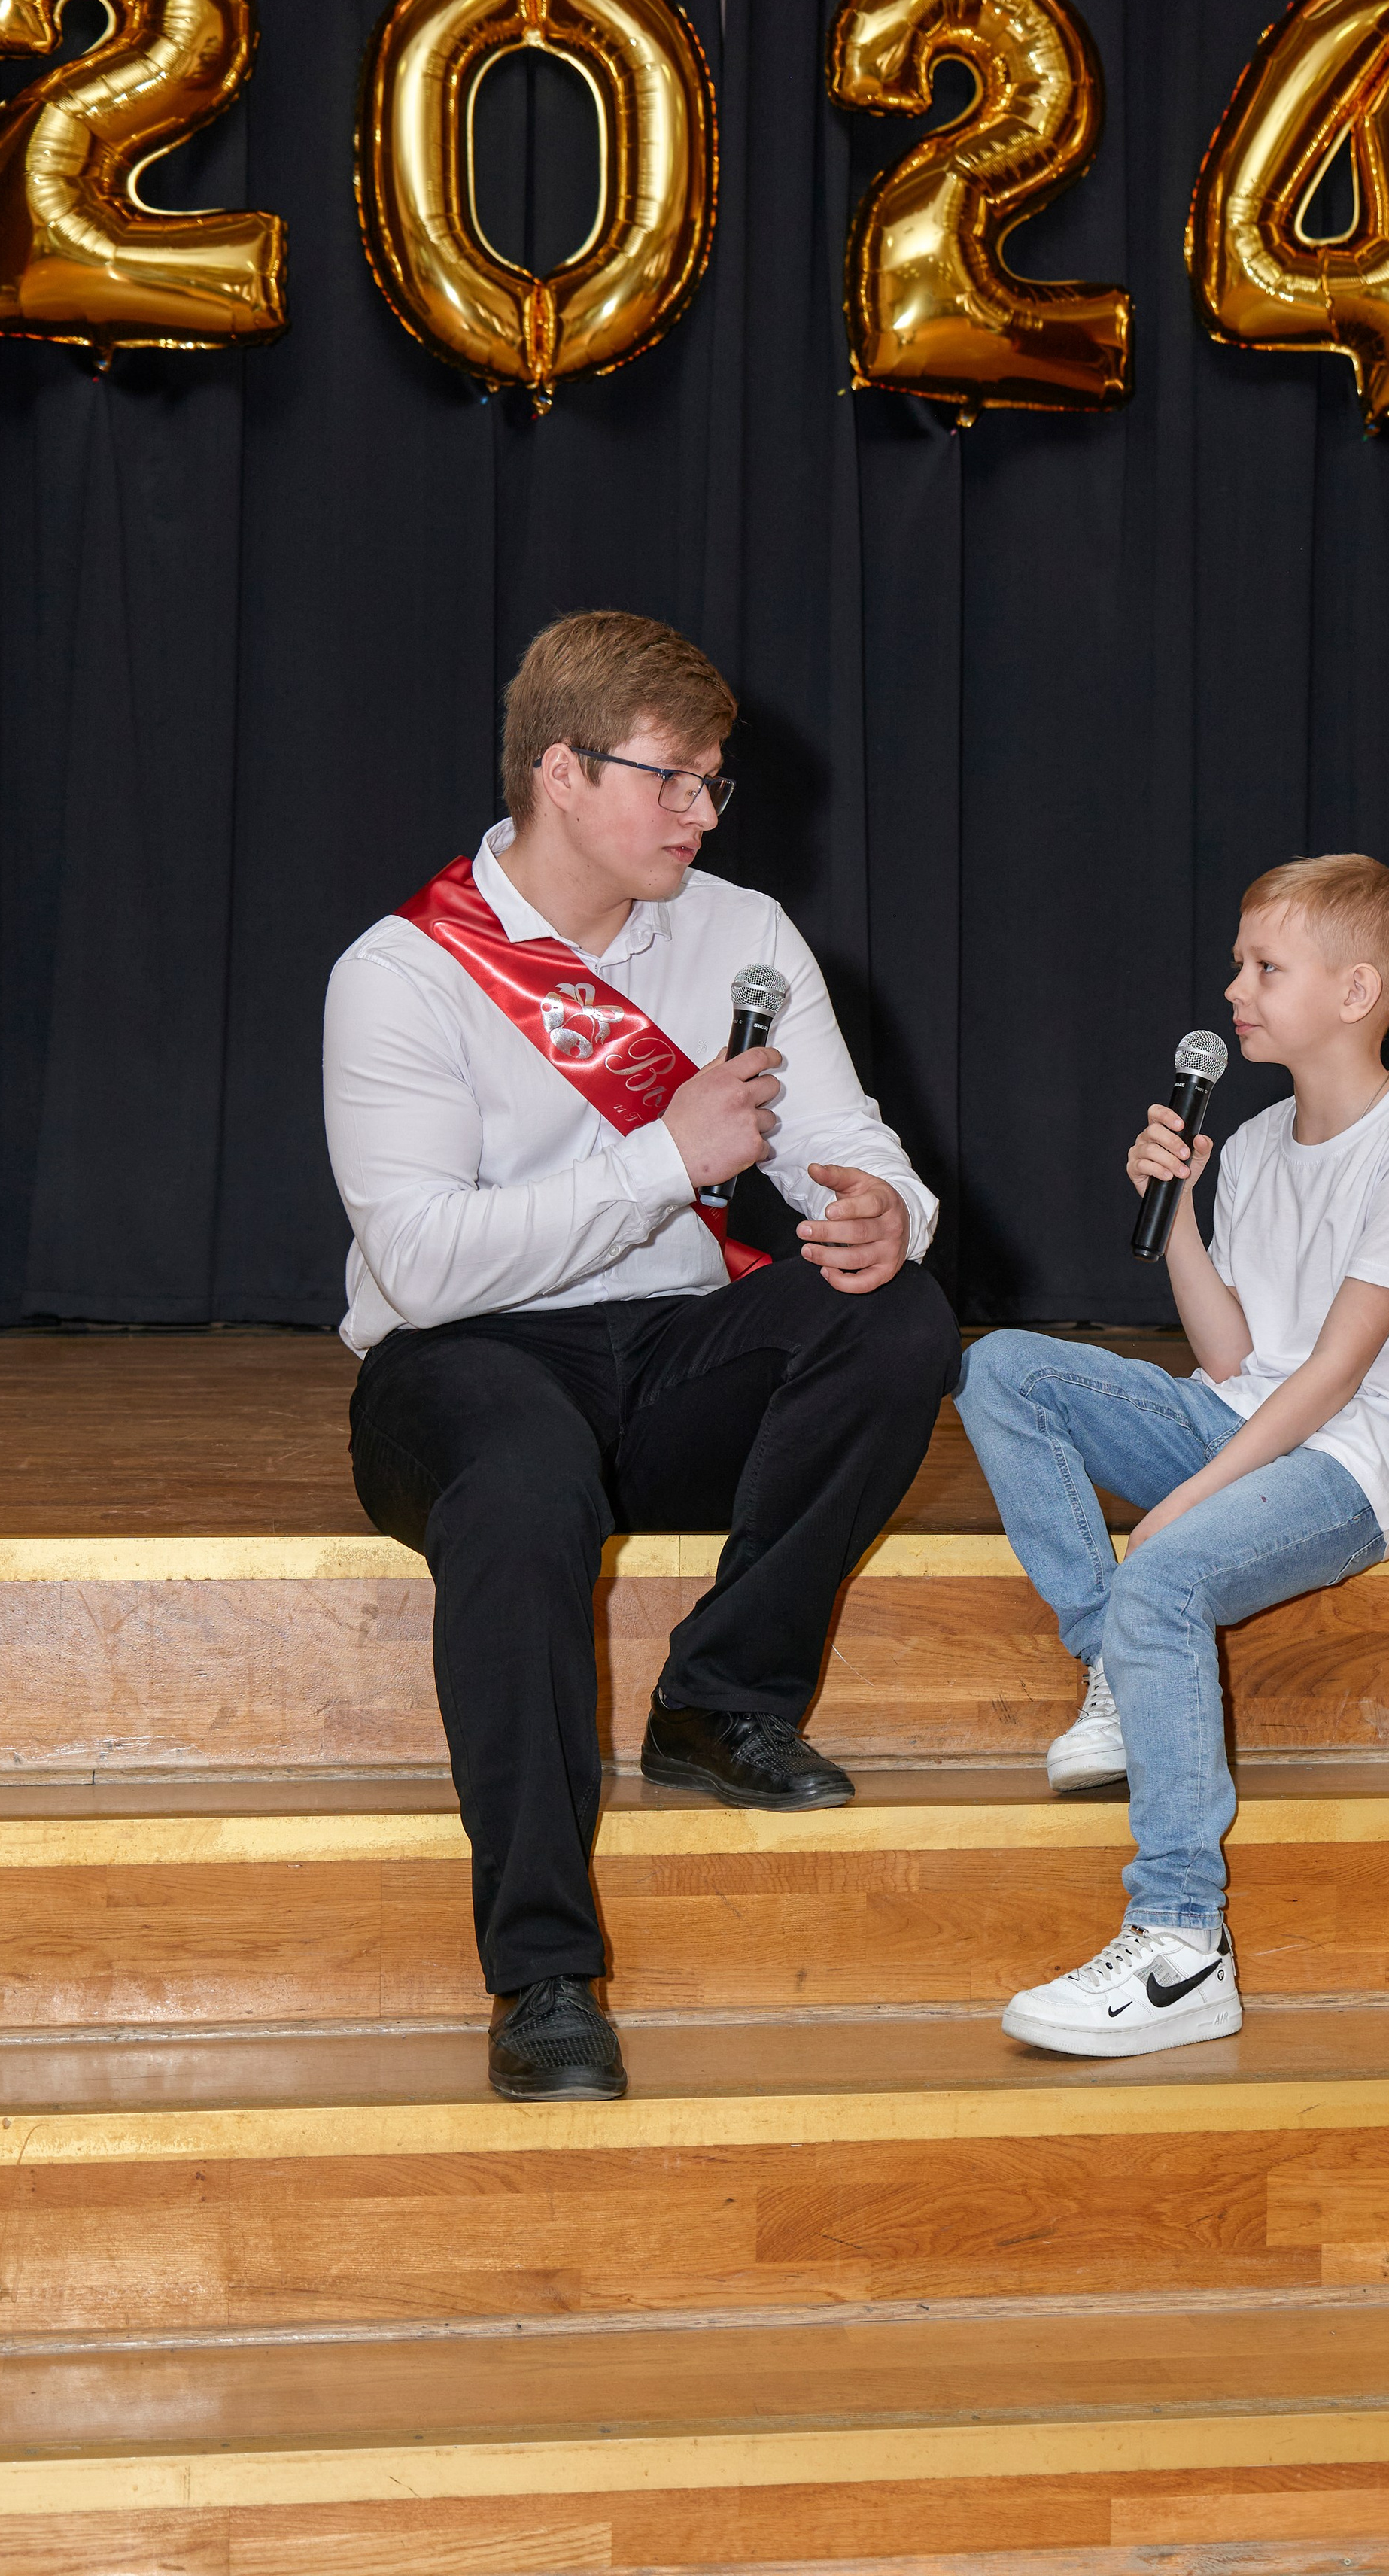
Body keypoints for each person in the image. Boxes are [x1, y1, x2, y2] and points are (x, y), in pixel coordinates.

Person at [324, 609, 957, 2104]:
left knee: (897, 1318)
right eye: (672, 780)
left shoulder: (740, 932)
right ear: (561, 772)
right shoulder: (401, 975)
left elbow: (841, 1136)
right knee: (524, 1482)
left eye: (713, 783)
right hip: (458, 1365)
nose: (703, 813)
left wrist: (886, 1209)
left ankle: (719, 1700)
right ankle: (541, 1974)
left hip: (667, 1352)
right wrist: (663, 1160)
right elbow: (423, 1264)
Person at [957, 854, 1389, 2059]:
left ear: (1355, 991)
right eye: (1240, 964)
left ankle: (1183, 1944)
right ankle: (1113, 1662)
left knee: (1165, 1573)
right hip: (1251, 1411)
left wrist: (1184, 1505)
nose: (1234, 989)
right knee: (1004, 1369)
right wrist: (1184, 1211)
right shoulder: (1246, 1143)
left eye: (1264, 967)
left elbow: (1335, 1376)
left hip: (1364, 1458)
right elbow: (1236, 1354)